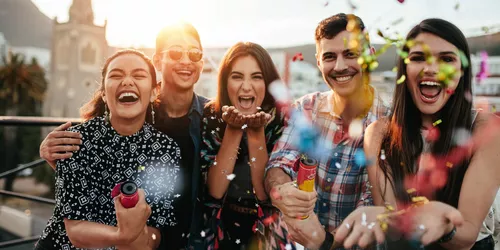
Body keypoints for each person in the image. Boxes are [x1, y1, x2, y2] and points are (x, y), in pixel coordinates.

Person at [39, 22, 209, 249]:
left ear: (153, 92)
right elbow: (75, 229)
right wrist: (124, 235)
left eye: (138, 75)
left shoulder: (168, 147)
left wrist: (134, 236)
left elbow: (155, 233)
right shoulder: (77, 139)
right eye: (116, 75)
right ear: (103, 92)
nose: (127, 81)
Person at [362, 18, 500, 249]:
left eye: (446, 59)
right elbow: (391, 226)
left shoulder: (486, 129)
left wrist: (441, 223)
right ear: (404, 68)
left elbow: (466, 236)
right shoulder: (378, 134)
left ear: (461, 72)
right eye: (418, 58)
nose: (431, 69)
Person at [264, 13, 389, 249]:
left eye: (351, 54)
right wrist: (280, 189)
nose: (340, 66)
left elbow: (374, 205)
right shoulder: (306, 108)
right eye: (330, 57)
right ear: (319, 62)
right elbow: (279, 163)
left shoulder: (391, 122)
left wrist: (324, 242)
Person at [200, 42, 289, 249]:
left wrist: (255, 134)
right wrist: (233, 129)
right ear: (225, 81)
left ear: (267, 83)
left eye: (256, 77)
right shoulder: (212, 115)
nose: (246, 86)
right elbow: (215, 190)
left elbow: (265, 197)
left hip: (268, 230)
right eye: (237, 76)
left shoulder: (281, 119)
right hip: (221, 228)